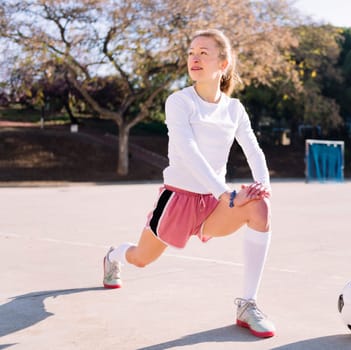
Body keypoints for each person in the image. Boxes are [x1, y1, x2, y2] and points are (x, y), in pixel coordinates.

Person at [102, 29, 276, 338]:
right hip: (179, 199)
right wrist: (225, 192)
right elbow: (188, 152)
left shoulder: (234, 109)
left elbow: (252, 148)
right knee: (141, 259)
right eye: (191, 53)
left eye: (204, 53)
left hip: (213, 206)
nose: (194, 58)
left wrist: (263, 185)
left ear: (222, 64)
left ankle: (247, 304)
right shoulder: (179, 101)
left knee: (259, 209)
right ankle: (114, 255)